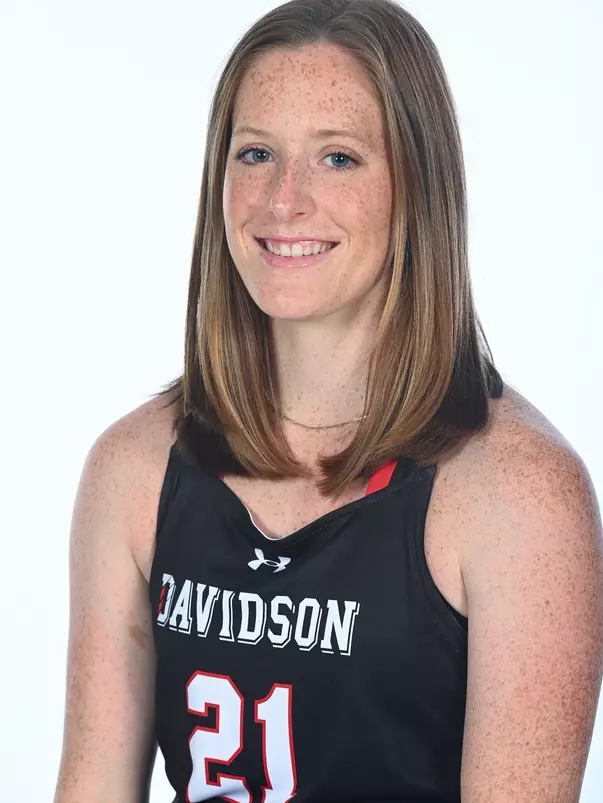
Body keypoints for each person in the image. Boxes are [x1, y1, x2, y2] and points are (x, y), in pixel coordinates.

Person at [54, 1, 603, 801]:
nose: (284, 200)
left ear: (416, 187)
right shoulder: (132, 470)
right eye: (256, 153)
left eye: (337, 158)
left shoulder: (517, 495)